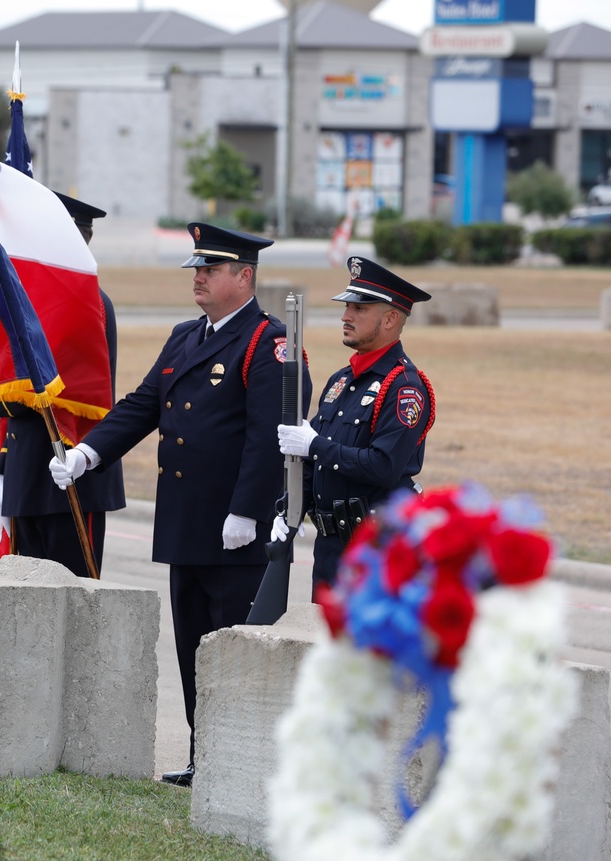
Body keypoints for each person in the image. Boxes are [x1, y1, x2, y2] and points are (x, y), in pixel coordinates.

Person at [48, 223, 312, 787]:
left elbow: (270, 435)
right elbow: (144, 404)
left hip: (233, 528)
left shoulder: (268, 343)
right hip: (186, 522)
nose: (198, 277)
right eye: (196, 268)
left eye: (210, 269)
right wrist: (87, 454)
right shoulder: (184, 336)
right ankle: (204, 757)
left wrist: (247, 510)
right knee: (193, 644)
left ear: (244, 277)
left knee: (233, 646)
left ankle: (240, 764)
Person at [273, 256, 435, 587]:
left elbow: (383, 466)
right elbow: (313, 463)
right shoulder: (341, 381)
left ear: (391, 318)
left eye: (360, 309)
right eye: (348, 306)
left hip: (376, 550)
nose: (346, 316)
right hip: (330, 547)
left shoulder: (403, 387)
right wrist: (289, 506)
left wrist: (314, 444)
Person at [0, 192, 126, 576]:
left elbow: (54, 391)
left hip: (68, 473)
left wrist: (8, 392)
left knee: (73, 603)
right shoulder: (36, 303)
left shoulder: (86, 305)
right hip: (27, 473)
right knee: (25, 605)